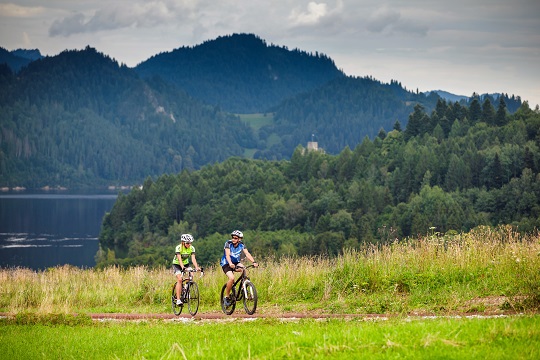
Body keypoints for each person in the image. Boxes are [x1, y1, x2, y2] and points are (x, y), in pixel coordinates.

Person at [220, 230, 258, 306]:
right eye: (232, 237)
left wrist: (254, 262)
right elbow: (227, 255)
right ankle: (226, 297)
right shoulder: (228, 243)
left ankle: (244, 287)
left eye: (235, 238)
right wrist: (230, 263)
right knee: (231, 278)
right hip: (226, 263)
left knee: (244, 269)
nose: (233, 239)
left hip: (236, 263)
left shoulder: (242, 245)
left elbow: (247, 253)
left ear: (239, 239)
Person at [172, 233, 200, 305]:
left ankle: (186, 288)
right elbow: (179, 259)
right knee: (180, 279)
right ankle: (178, 299)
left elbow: (193, 259)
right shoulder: (179, 248)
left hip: (186, 264)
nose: (189, 244)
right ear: (183, 242)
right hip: (177, 264)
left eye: (190, 243)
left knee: (191, 276)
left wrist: (196, 267)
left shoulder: (192, 248)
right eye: (187, 243)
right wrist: (183, 268)